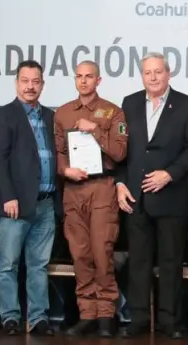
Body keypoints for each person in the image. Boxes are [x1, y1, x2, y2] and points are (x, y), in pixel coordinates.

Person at [116, 52, 188, 339]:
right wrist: (120, 183)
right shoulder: (129, 103)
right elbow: (120, 150)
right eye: (148, 73)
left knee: (170, 262)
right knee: (138, 262)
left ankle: (170, 321)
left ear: (168, 73)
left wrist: (169, 173)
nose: (153, 77)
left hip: (171, 196)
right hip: (136, 197)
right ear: (142, 76)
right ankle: (139, 318)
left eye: (158, 72)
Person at [53, 61, 128, 338]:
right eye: (79, 77)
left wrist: (94, 128)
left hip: (101, 188)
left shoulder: (112, 111)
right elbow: (59, 151)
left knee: (101, 252)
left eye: (89, 77)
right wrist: (64, 170)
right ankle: (87, 313)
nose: (83, 81)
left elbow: (120, 153)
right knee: (80, 254)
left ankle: (107, 314)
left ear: (99, 80)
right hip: (74, 189)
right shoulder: (62, 113)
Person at [0, 60, 60, 336]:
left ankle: (38, 317)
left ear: (42, 84)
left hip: (46, 202)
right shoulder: (5, 115)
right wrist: (8, 195)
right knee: (7, 264)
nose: (30, 86)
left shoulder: (51, 117)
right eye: (25, 81)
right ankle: (9, 316)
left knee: (38, 265)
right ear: (16, 83)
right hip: (15, 204)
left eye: (35, 81)